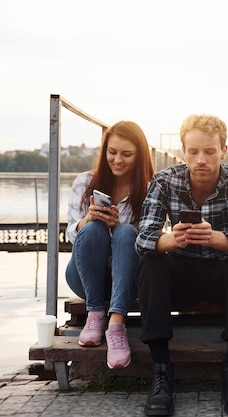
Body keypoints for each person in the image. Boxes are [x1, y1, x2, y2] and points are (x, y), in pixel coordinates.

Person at [135, 114, 228, 416]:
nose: (200, 160)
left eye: (209, 151)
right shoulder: (165, 180)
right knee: (151, 264)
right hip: (180, 275)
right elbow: (143, 238)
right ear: (183, 151)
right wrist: (171, 239)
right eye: (193, 152)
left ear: (224, 151)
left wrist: (212, 237)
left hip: (222, 275)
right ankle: (161, 369)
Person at [65, 121, 154, 369]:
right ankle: (94, 315)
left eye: (126, 154)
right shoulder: (84, 182)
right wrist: (87, 220)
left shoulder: (149, 189)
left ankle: (116, 325)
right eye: (112, 152)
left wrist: (116, 228)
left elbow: (149, 244)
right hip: (84, 276)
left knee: (127, 232)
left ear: (139, 156)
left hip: (127, 279)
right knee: (92, 228)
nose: (117, 160)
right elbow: (72, 236)